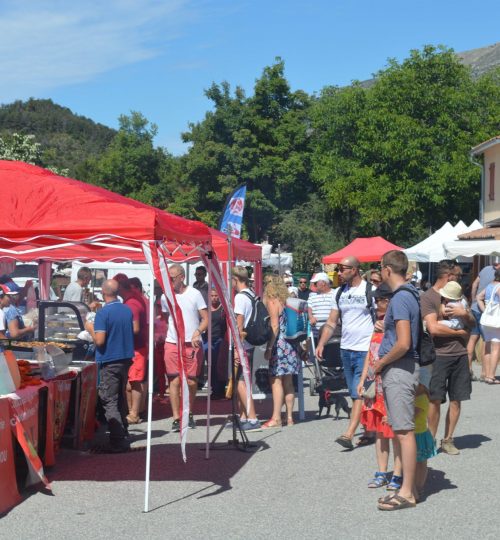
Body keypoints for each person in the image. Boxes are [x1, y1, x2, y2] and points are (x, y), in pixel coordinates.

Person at [375, 250, 420, 511]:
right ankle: (407, 488)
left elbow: (403, 343)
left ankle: (407, 493)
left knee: (404, 431)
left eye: (381, 268)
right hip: (402, 368)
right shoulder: (409, 294)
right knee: (402, 429)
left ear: (388, 270)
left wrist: (381, 362)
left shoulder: (401, 299)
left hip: (399, 369)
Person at [316, 257, 375, 450]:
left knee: (358, 391)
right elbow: (332, 322)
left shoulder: (370, 291)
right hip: (346, 349)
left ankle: (349, 433)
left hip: (365, 350)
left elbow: (382, 315)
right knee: (355, 392)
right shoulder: (340, 292)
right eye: (338, 269)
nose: (339, 273)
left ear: (355, 269)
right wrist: (322, 343)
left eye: (342, 269)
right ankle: (369, 429)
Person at [421, 260, 474, 456]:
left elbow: (472, 323)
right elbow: (433, 329)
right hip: (438, 356)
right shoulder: (428, 297)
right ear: (448, 276)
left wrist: (464, 314)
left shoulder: (458, 295)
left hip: (460, 355)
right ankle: (430, 439)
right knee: (434, 400)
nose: (460, 279)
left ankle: (448, 439)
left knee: (457, 399)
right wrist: (460, 333)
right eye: (458, 275)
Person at [357, 283, 402, 490]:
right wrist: (362, 378)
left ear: (388, 301)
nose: (376, 305)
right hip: (374, 383)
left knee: (394, 431)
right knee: (379, 432)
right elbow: (370, 352)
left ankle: (398, 474)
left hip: (390, 383)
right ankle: (382, 471)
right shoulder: (377, 323)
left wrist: (388, 330)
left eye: (379, 301)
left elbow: (402, 348)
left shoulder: (396, 324)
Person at [85, 279, 134, 453]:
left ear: (103, 292)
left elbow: (99, 340)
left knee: (109, 399)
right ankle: (122, 432)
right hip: (125, 358)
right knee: (119, 397)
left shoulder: (103, 313)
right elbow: (132, 330)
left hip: (110, 360)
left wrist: (90, 328)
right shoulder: (127, 310)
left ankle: (117, 439)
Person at [161, 264, 208, 431]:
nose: (169, 281)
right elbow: (167, 318)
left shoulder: (195, 294)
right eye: (168, 278)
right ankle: (176, 417)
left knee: (190, 380)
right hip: (172, 342)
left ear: (181, 277)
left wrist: (197, 332)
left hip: (191, 343)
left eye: (172, 278)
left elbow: (205, 318)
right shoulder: (165, 296)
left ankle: (188, 412)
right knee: (173, 379)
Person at [262, 276, 299, 428]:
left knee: (276, 380)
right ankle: (289, 417)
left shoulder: (272, 301)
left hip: (280, 344)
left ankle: (276, 418)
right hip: (291, 344)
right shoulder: (288, 300)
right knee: (288, 381)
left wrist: (269, 348)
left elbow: (275, 326)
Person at [113, 274, 148, 425]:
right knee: (132, 382)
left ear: (120, 287)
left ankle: (134, 413)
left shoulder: (132, 304)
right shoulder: (131, 301)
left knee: (134, 382)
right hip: (134, 348)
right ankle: (133, 412)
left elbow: (135, 328)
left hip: (136, 348)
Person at [231, 266, 261, 432]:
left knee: (241, 382)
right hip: (249, 343)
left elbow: (239, 323)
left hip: (242, 344)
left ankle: (252, 417)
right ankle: (243, 417)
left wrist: (237, 347)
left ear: (235, 279)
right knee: (242, 380)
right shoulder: (251, 294)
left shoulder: (240, 298)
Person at [468, 260, 500, 380]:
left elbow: (475, 289)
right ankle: (487, 374)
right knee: (492, 345)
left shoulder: (486, 273)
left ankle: (475, 370)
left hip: (481, 314)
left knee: (476, 340)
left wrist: (478, 305)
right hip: (494, 318)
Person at [414, 366, 437, 501]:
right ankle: (413, 485)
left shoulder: (421, 398)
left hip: (419, 435)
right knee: (416, 462)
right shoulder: (417, 396)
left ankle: (419, 487)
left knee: (421, 463)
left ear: (422, 385)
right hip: (417, 434)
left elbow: (411, 416)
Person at [476, 267, 500, 384]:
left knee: (487, 346)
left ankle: (486, 374)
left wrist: (484, 310)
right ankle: (491, 376)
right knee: (496, 348)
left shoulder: (490, 285)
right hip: (496, 321)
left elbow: (478, 297)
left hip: (486, 320)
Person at [203, 288, 227, 399]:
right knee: (211, 365)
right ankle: (214, 388)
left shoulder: (223, 309)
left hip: (220, 340)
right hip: (207, 340)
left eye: (216, 295)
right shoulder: (206, 310)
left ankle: (221, 389)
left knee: (219, 365)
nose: (214, 298)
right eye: (212, 296)